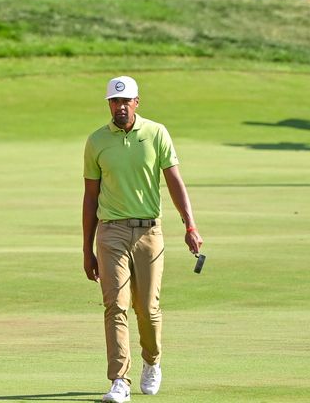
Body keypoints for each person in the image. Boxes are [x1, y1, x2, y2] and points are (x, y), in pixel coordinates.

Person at [83, 76, 202, 403]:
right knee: (115, 306)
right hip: (111, 232)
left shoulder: (156, 133)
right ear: (108, 104)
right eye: (114, 101)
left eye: (126, 101)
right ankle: (119, 380)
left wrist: (190, 225)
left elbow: (176, 182)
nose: (120, 107)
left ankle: (152, 361)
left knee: (147, 308)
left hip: (149, 231)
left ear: (137, 102)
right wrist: (86, 249)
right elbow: (90, 197)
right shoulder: (96, 141)